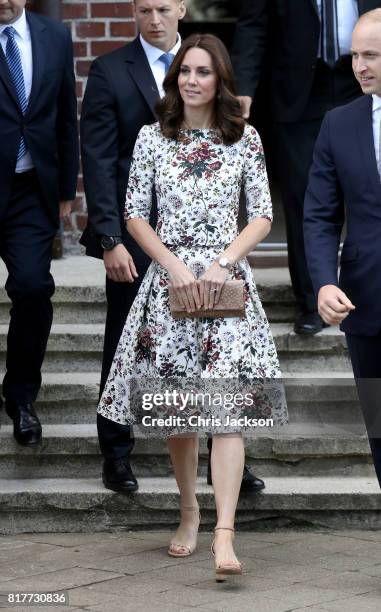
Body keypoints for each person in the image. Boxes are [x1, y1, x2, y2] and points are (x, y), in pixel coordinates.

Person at [98, 33, 288, 581]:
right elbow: (135, 214)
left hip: (227, 286)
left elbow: (262, 214)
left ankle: (225, 534)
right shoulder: (152, 138)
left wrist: (222, 262)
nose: (192, 80)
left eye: (203, 71)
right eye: (184, 70)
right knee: (179, 412)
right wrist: (176, 267)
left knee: (227, 410)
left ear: (220, 79)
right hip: (170, 285)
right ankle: (189, 512)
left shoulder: (244, 138)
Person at [80, 0, 264, 495]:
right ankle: (117, 453)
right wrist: (109, 238)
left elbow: (258, 205)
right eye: (144, 9)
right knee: (129, 349)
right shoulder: (109, 70)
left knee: (219, 365)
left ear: (181, 10)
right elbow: (97, 157)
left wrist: (225, 260)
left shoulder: (214, 78)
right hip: (142, 242)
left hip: (218, 256)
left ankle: (227, 466)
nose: (153, 18)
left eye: (162, 8)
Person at [232, 0, 381, 335]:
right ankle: (316, 298)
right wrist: (243, 86)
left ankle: (368, 292)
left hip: (361, 77)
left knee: (372, 188)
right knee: (305, 197)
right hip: (299, 89)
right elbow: (253, 24)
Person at [304, 9, 381, 486]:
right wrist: (324, 281)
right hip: (366, 302)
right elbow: (319, 214)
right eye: (356, 55)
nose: (359, 66)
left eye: (371, 55)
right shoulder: (338, 123)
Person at [0, 0, 78, 444]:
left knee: (32, 288)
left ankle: (21, 395)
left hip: (31, 190)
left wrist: (66, 188)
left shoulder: (55, 36)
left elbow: (66, 113)